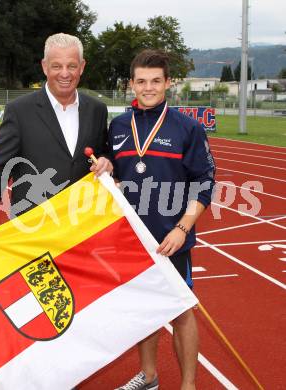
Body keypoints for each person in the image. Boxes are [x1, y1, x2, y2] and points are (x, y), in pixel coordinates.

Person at [108, 49, 215, 390]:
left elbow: (204, 184)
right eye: (141, 81)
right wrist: (107, 168)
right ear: (131, 84)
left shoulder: (189, 128)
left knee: (181, 313)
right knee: (144, 313)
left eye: (156, 81)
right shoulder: (119, 126)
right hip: (133, 239)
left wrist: (183, 229)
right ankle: (150, 376)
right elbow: (113, 172)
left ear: (168, 83)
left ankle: (188, 385)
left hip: (172, 238)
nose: (149, 88)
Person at [0, 33, 112, 248]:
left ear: (82, 67)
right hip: (34, 229)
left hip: (83, 226)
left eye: (71, 66)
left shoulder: (97, 110)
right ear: (45, 67)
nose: (65, 73)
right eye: (57, 66)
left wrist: (106, 161)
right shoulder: (19, 111)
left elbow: (102, 152)